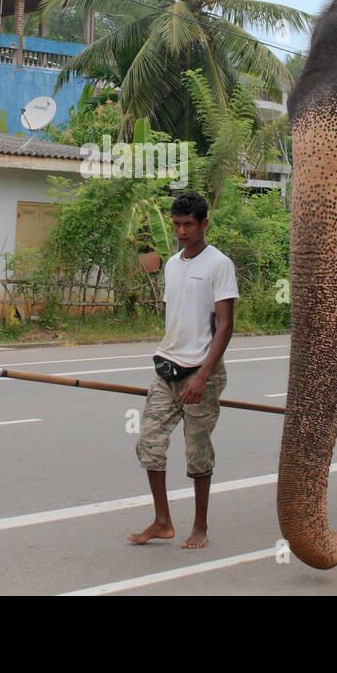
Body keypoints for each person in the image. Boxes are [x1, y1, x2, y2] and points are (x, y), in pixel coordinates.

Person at [127, 190, 238, 550]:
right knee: (149, 442)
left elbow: (224, 326)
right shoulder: (173, 264)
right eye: (176, 224)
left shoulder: (219, 264)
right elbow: (177, 317)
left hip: (200, 374)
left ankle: (200, 527)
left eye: (188, 224)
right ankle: (162, 521)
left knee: (197, 452)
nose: (181, 231)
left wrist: (203, 376)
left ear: (204, 224)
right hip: (167, 368)